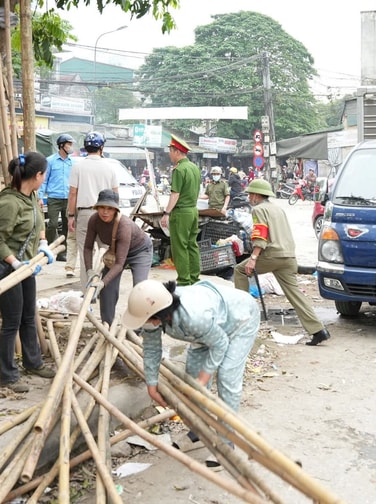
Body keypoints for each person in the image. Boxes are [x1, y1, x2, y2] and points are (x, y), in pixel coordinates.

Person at [123, 279, 260, 467]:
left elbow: (220, 344)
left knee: (227, 376)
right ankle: (198, 431)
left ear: (159, 316)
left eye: (145, 321)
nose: (144, 325)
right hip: (210, 329)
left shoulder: (194, 318)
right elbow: (152, 348)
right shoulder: (158, 315)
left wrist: (203, 380)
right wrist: (151, 384)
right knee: (192, 374)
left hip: (240, 320)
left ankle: (226, 444)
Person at [0, 152, 57, 392]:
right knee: (11, 322)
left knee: (29, 315)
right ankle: (7, 375)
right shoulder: (8, 202)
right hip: (8, 269)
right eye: (44, 174)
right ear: (37, 175)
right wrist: (15, 264)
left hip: (27, 267)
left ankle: (33, 363)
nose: (44, 178)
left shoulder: (32, 196)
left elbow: (38, 224)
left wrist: (43, 244)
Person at [234, 179, 330, 346]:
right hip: (289, 257)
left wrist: (253, 259)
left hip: (272, 256)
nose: (249, 197)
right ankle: (318, 330)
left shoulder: (258, 209)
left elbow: (260, 236)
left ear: (257, 195)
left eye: (250, 194)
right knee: (295, 294)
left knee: (240, 271)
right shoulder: (277, 209)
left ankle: (242, 319)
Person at [83, 189, 153, 325]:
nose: (105, 212)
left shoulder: (124, 225)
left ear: (116, 210)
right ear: (97, 207)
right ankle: (107, 326)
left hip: (140, 251)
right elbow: (87, 247)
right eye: (102, 207)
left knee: (140, 288)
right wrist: (89, 271)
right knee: (106, 290)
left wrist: (102, 281)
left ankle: (138, 328)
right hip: (117, 251)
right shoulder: (94, 220)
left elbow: (120, 264)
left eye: (109, 208)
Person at [65, 132, 118, 279]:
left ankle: (86, 293)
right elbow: (115, 194)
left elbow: (73, 194)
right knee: (106, 252)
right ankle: (102, 288)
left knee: (85, 254)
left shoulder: (78, 167)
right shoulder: (110, 167)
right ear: (101, 147)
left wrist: (71, 216)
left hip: (85, 214)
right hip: (106, 214)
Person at [160, 135, 201, 285]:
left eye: (170, 151)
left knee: (180, 246)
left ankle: (184, 279)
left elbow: (175, 194)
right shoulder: (194, 168)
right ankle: (195, 277)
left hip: (181, 212)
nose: (169, 154)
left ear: (176, 151)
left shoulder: (179, 170)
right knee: (192, 244)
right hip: (193, 211)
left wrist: (166, 213)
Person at [40, 133, 74, 261]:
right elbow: (44, 180)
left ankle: (62, 252)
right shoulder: (50, 161)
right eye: (69, 144)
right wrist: (40, 196)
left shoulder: (72, 162)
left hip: (68, 198)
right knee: (52, 224)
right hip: (54, 198)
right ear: (61, 145)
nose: (71, 147)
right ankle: (49, 248)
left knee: (67, 226)